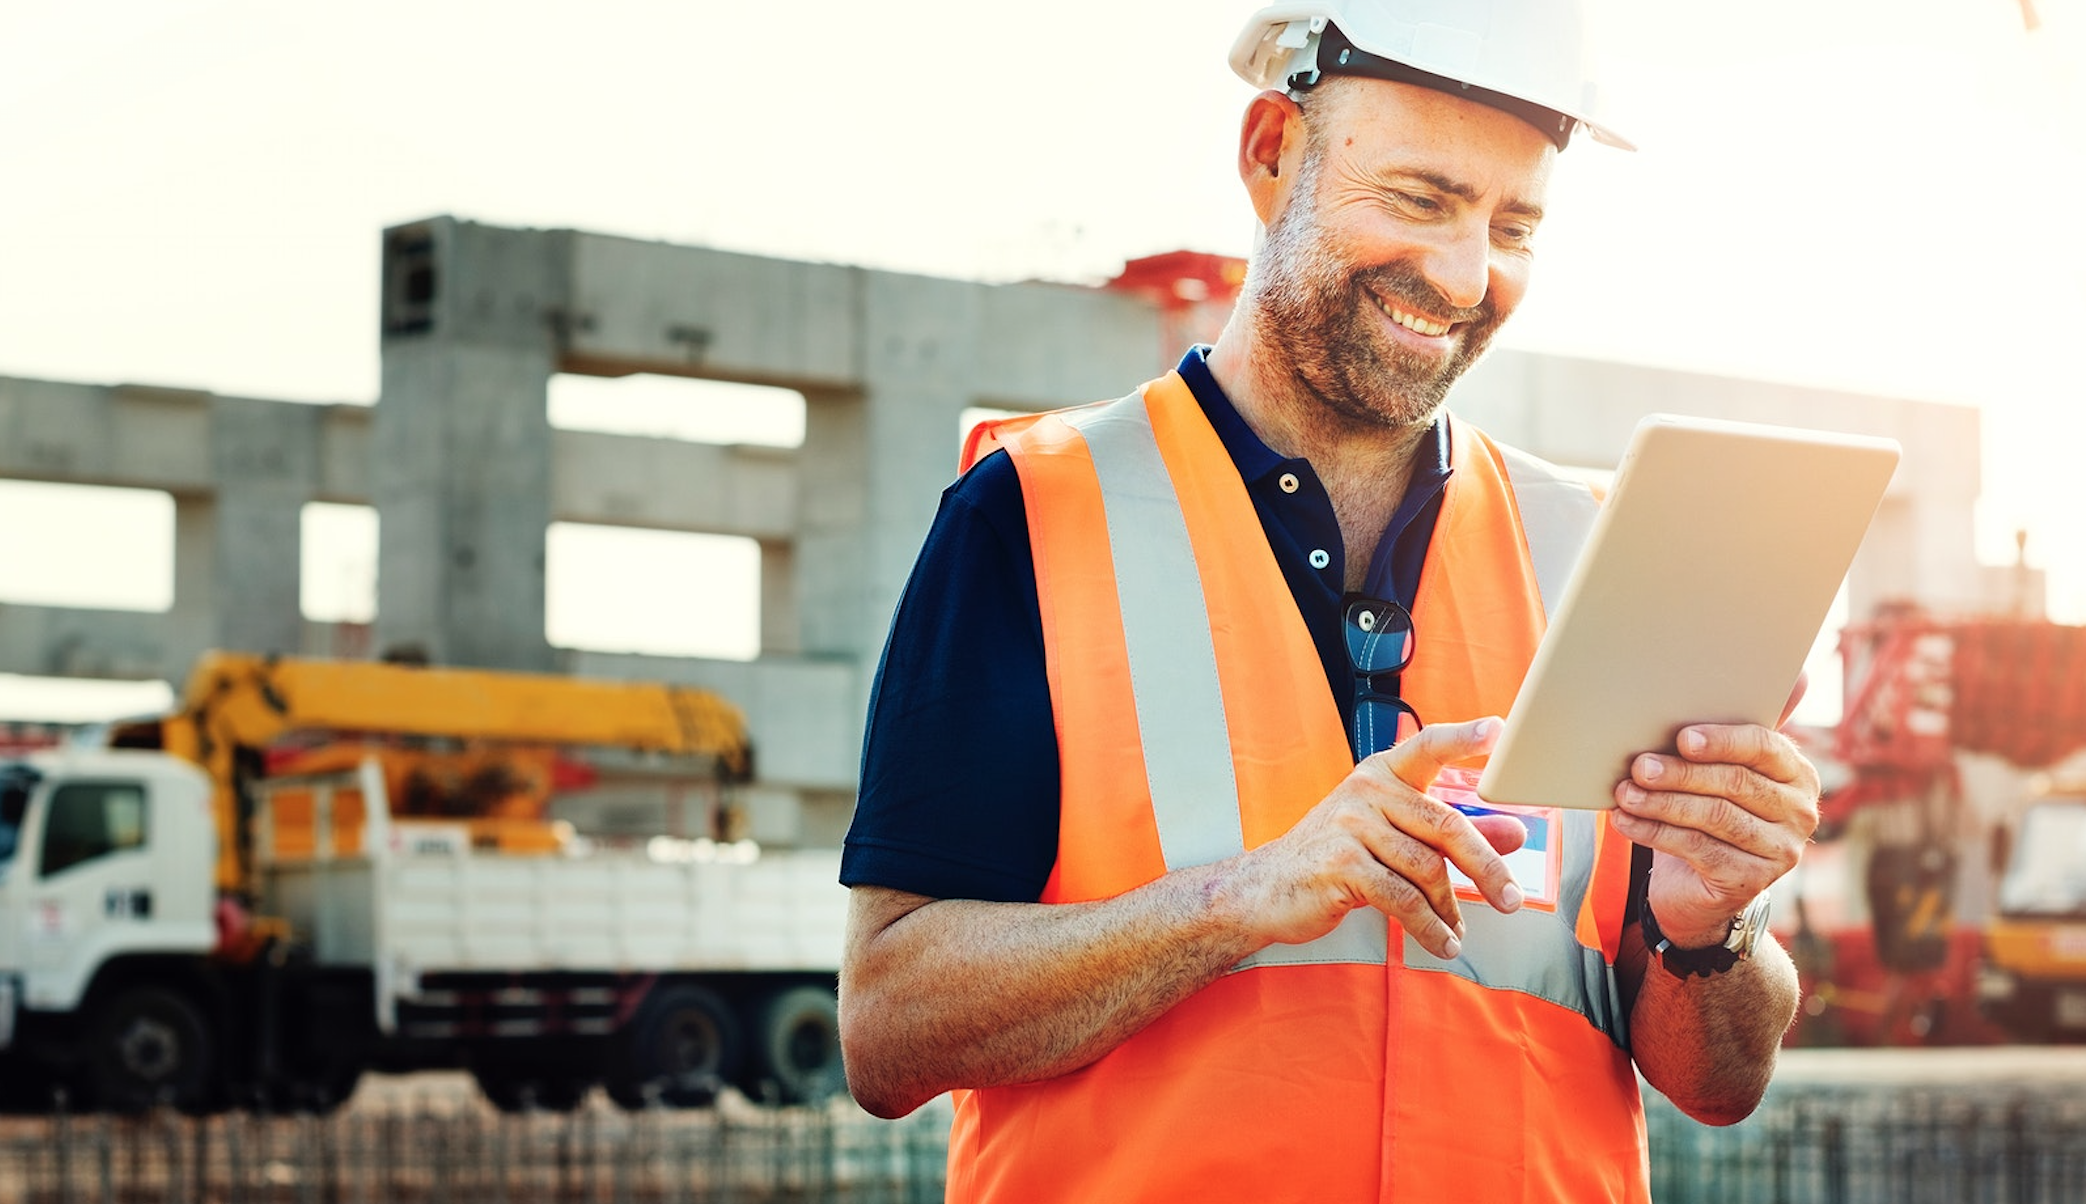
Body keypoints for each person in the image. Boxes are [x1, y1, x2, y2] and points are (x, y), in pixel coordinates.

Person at [837, 3, 1821, 1200]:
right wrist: (1239, 899)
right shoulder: (1033, 515)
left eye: (1513, 225)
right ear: (1269, 154)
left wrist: (1709, 919)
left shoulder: (1597, 553)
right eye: (1419, 198)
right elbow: (889, 1027)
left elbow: (1716, 1080)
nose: (1466, 276)